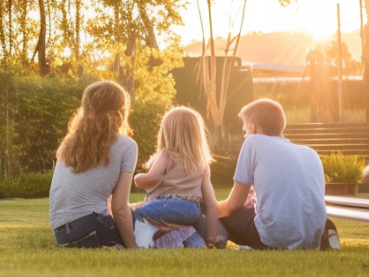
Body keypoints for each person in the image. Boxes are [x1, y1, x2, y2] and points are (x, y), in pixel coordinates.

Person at [214, 98, 327, 249]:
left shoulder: (253, 142)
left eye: (244, 130)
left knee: (214, 211)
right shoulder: (310, 152)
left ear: (253, 129)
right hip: (312, 238)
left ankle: (211, 238)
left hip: (272, 238)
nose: (245, 135)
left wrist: (207, 209)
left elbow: (233, 205)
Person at [49, 80, 139, 248]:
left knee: (133, 214)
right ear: (121, 110)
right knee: (142, 219)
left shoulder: (69, 143)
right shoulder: (127, 146)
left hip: (62, 235)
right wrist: (133, 249)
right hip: (94, 228)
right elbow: (119, 208)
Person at [132, 106, 221, 249]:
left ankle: (137, 244)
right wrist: (211, 236)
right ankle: (197, 245)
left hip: (169, 205)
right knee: (183, 229)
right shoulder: (202, 165)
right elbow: (211, 204)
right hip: (192, 211)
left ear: (167, 133)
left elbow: (152, 178)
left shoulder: (167, 155)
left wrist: (138, 178)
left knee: (137, 213)